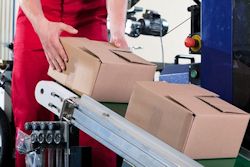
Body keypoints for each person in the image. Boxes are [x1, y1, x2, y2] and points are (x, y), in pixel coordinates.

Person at [12, 0, 128, 167]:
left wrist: (117, 33)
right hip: (38, 17)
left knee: (95, 124)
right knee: (32, 118)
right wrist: (40, 23)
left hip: (90, 22)